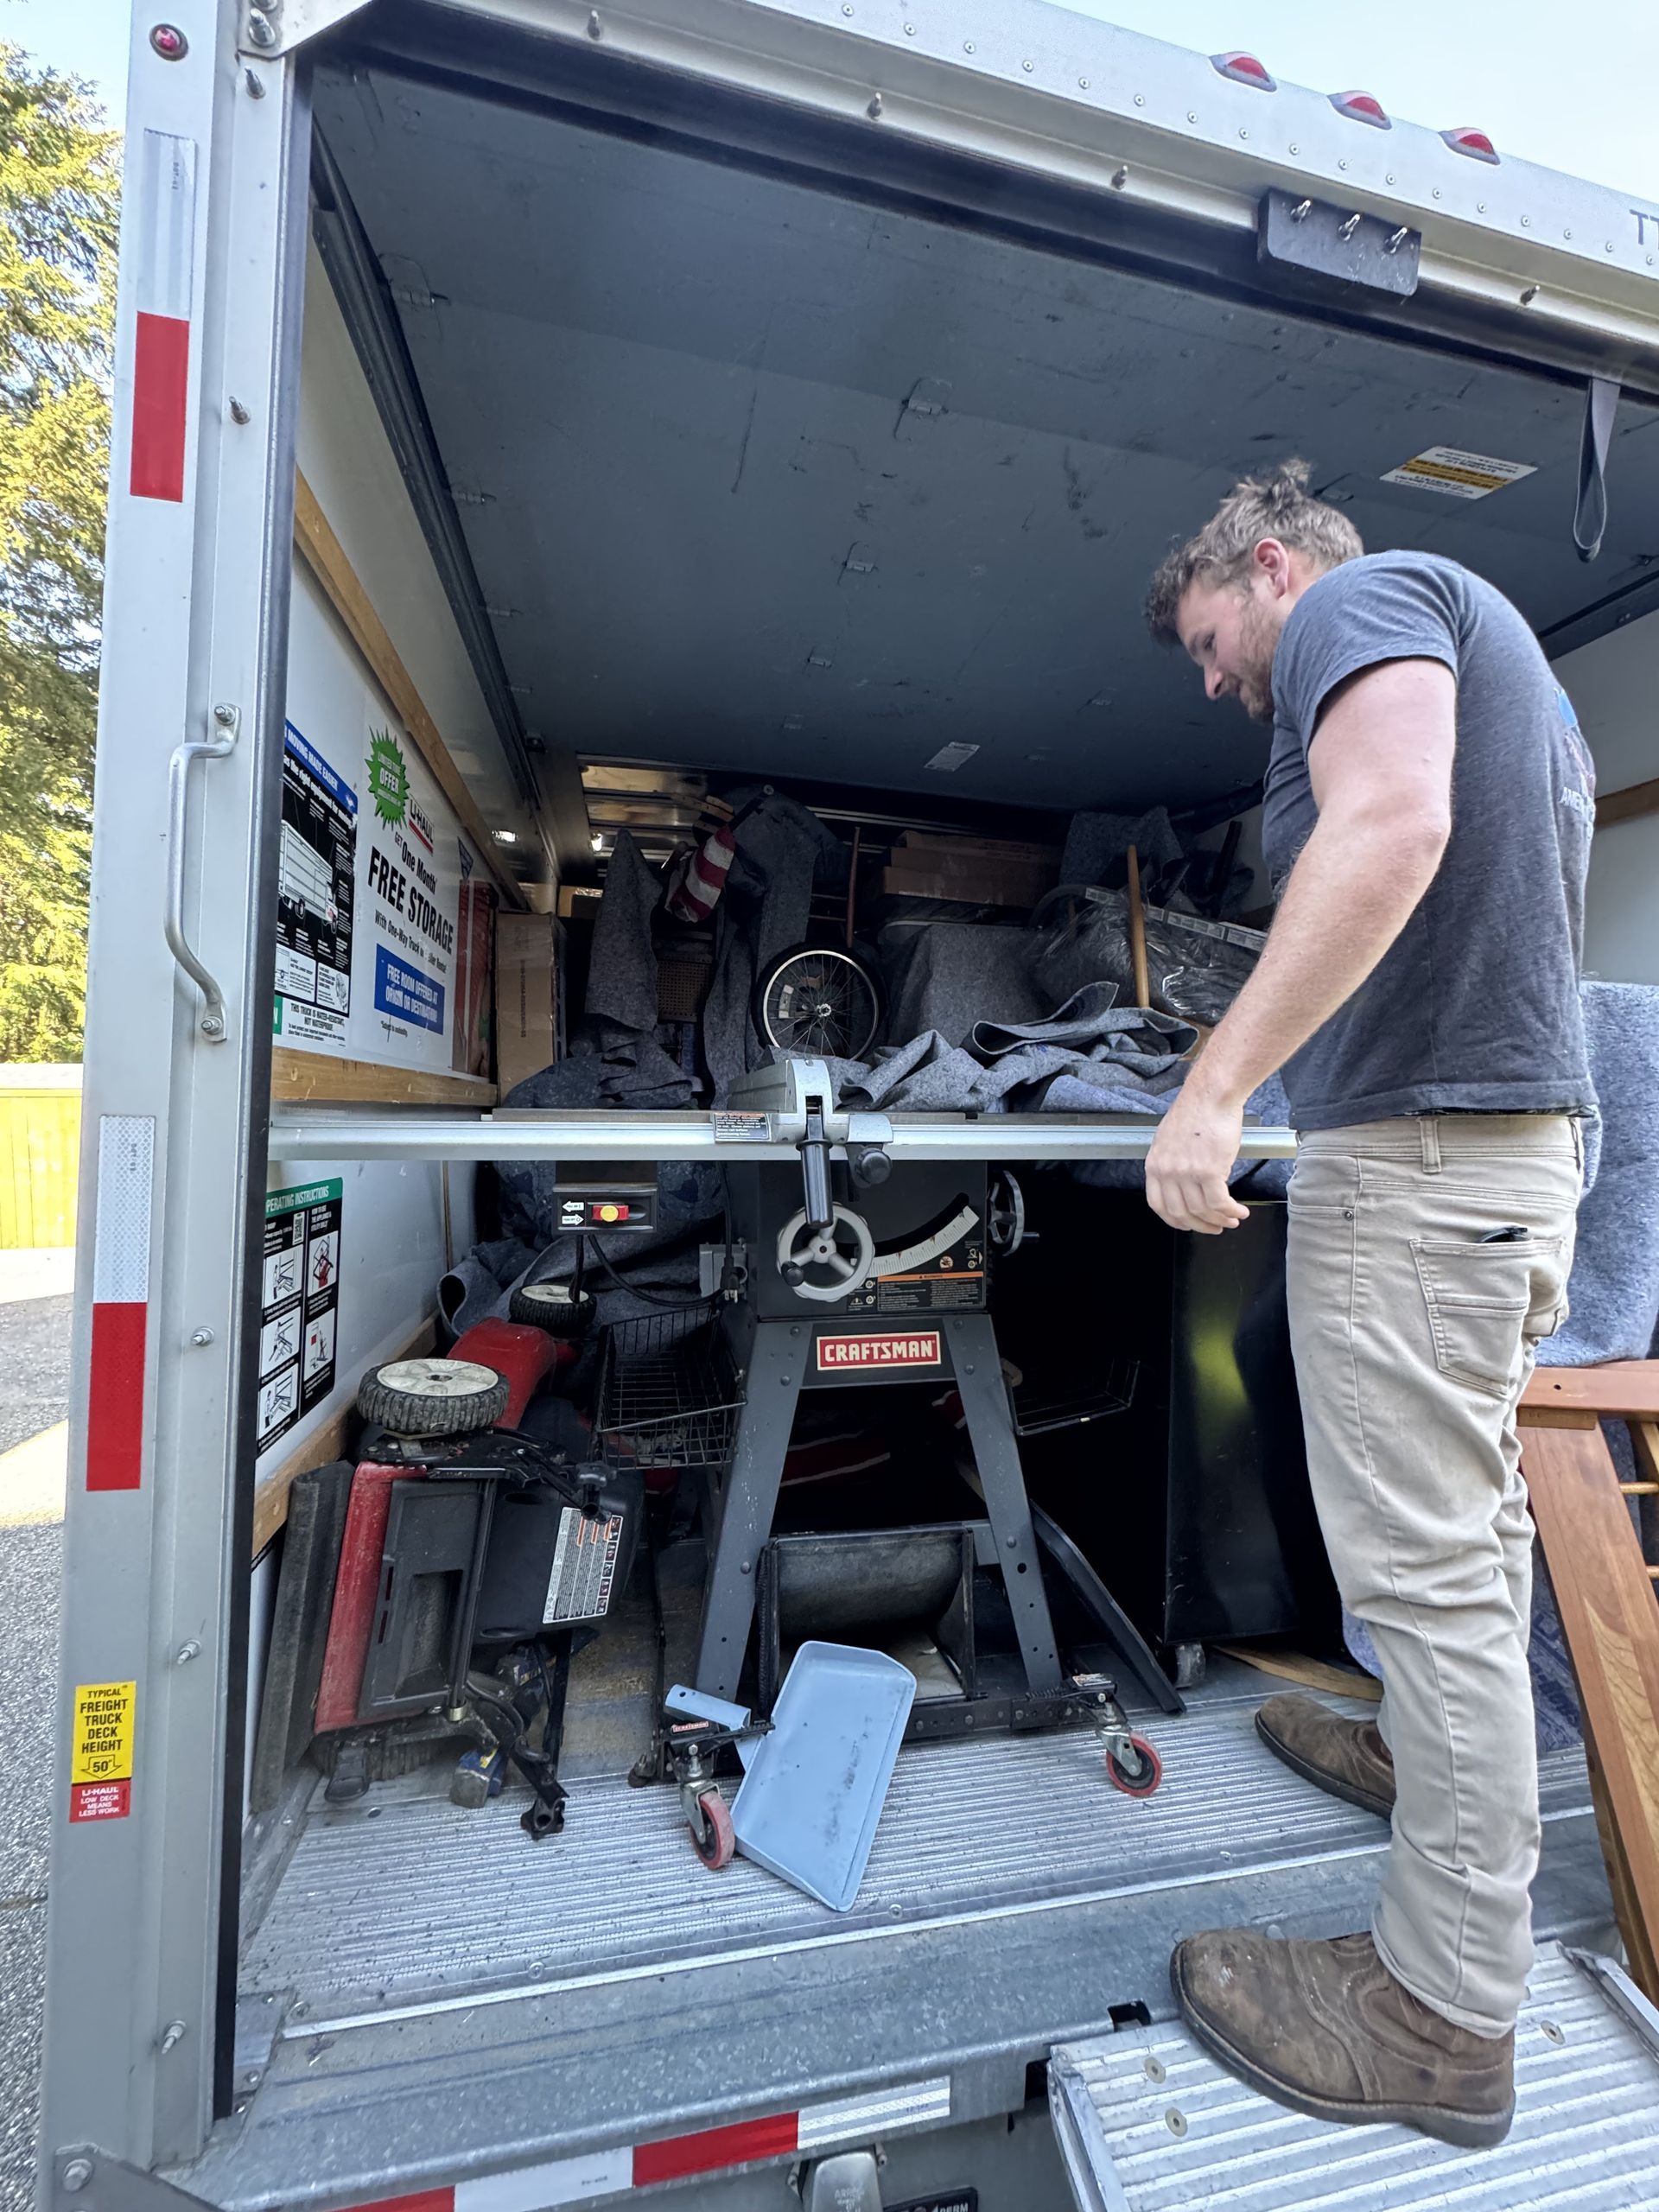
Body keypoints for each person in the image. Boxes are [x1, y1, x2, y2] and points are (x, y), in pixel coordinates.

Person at [1141, 461, 1595, 2148]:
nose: (1212, 676)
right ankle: (1435, 1763)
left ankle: (1443, 2013)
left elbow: (1394, 826)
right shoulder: (1507, 658)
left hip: (1423, 1170)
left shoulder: (1357, 599)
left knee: (1424, 1576)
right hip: (1498, 1159)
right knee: (1462, 1539)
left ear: (1267, 565)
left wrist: (1216, 1083)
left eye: (1208, 636)